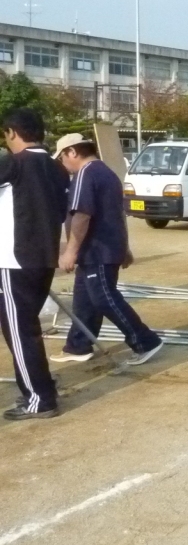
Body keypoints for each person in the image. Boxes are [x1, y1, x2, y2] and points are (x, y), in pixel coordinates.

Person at [50, 134, 163, 366]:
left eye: (62, 157)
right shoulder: (107, 173)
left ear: (72, 152)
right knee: (84, 300)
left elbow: (82, 215)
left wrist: (70, 251)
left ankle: (145, 341)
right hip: (101, 249)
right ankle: (78, 345)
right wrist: (125, 247)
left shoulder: (86, 173)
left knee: (103, 298)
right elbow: (116, 214)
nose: (63, 163)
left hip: (98, 250)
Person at [0, 109, 69, 420]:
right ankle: (41, 388)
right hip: (44, 258)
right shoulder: (57, 168)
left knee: (20, 332)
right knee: (27, 328)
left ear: (12, 133)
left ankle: (39, 398)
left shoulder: (15, 163)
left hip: (14, 261)